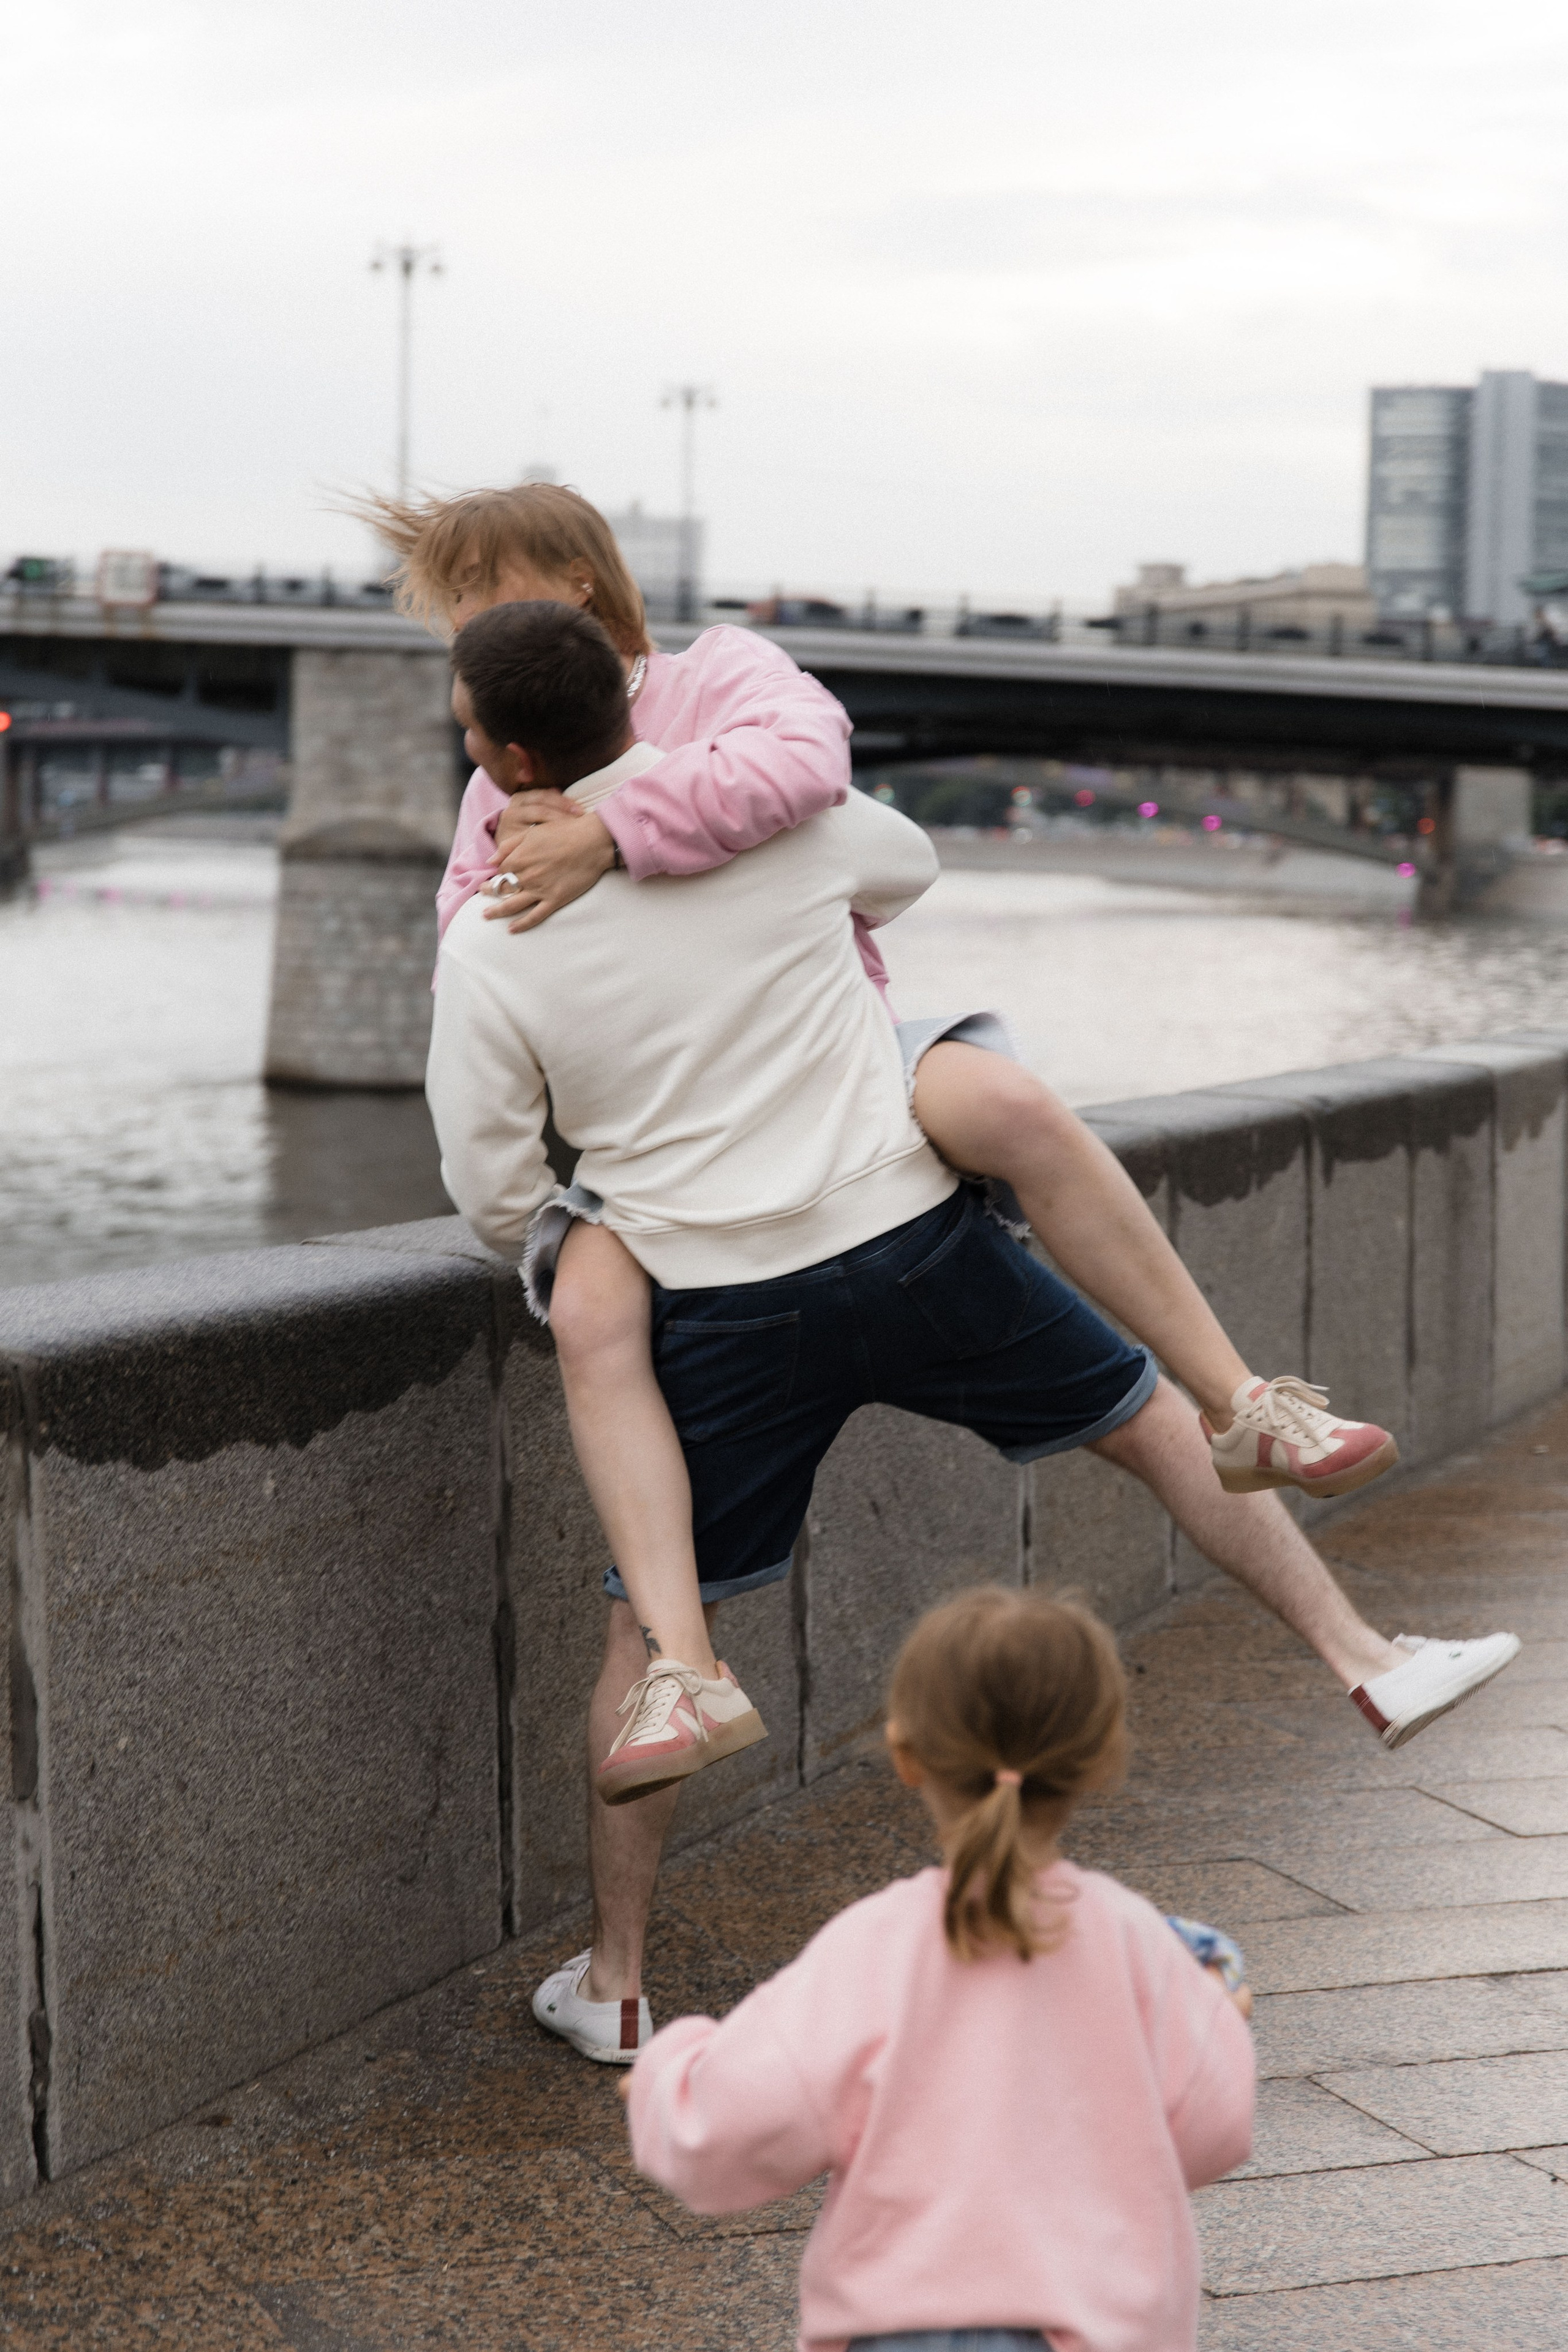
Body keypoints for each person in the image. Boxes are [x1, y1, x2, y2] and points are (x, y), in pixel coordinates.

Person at [424, 599, 1520, 2066]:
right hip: (908, 1239)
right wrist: (679, 836)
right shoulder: (779, 832)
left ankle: (618, 1982)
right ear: (633, 703)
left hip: (716, 1303)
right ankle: (1360, 1652)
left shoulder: (491, 944)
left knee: (653, 1626)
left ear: (500, 751)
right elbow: (904, 857)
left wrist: (596, 1219)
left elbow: (488, 1179)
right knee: (1150, 1419)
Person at [373, 477, 1400, 1791]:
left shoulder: (721, 677)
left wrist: (618, 833)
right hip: (722, 1177)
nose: (460, 627)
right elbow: (501, 955)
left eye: (474, 591)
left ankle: (1257, 1429)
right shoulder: (496, 813)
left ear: (569, 584)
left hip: (841, 1095)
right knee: (596, 1312)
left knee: (1005, 1110)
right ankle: (622, 1978)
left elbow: (804, 775)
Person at [624, 1586, 1256, 2352]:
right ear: (1100, 1760)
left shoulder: (874, 1945)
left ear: (907, 1756)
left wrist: (667, 2075)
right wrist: (1216, 2023)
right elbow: (1212, 2132)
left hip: (903, 2328)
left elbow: (733, 2128)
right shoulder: (1137, 1940)